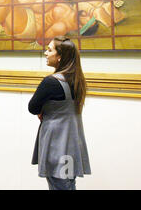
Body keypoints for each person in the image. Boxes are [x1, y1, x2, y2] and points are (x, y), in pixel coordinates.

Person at [28, 36, 91, 190]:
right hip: (72, 145)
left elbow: (33, 107)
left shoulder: (51, 82)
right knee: (68, 183)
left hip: (57, 146)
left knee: (60, 184)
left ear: (60, 57)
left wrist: (43, 110)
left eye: (50, 50)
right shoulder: (77, 81)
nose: (45, 53)